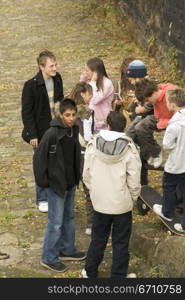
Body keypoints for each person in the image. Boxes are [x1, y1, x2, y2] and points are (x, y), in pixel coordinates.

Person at [81, 111, 141, 278]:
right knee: (121, 242)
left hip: (100, 202)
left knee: (98, 238)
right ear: (124, 127)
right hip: (122, 203)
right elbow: (134, 179)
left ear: (108, 124)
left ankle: (90, 271)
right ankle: (118, 276)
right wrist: (132, 198)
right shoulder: (130, 148)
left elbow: (86, 174)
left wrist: (95, 192)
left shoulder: (93, 144)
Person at [33, 98, 86, 272]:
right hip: (56, 186)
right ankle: (48, 257)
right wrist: (44, 183)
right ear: (60, 115)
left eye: (73, 115)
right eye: (67, 115)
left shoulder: (74, 129)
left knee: (69, 218)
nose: (71, 118)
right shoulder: (51, 134)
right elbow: (38, 159)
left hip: (70, 183)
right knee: (55, 222)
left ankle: (67, 249)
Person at [21, 50, 64, 213]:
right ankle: (42, 198)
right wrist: (32, 134)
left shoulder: (57, 78)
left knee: (57, 162)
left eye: (55, 64)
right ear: (41, 67)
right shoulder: (30, 85)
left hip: (57, 128)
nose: (55, 68)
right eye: (51, 65)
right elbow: (27, 113)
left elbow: (59, 100)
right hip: (40, 131)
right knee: (42, 164)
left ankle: (55, 194)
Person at [153, 88, 185, 233]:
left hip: (176, 163)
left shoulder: (174, 124)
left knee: (169, 186)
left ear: (172, 104)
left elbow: (167, 145)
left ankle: (167, 212)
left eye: (166, 102)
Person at [131, 78, 178, 169]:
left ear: (153, 92)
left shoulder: (171, 93)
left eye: (148, 100)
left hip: (174, 120)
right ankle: (156, 152)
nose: (148, 103)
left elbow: (179, 115)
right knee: (140, 127)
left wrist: (164, 123)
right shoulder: (153, 96)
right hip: (160, 117)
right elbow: (149, 108)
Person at [70, 82, 94, 235]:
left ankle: (68, 215)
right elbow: (87, 136)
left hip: (68, 154)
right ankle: (91, 224)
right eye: (90, 93)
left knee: (69, 187)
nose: (91, 97)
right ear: (84, 94)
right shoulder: (86, 113)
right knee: (89, 190)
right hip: (83, 155)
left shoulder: (67, 110)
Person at [80, 57, 114, 132]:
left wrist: (92, 82)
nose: (85, 73)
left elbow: (94, 100)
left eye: (87, 71)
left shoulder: (107, 83)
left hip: (102, 124)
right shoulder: (88, 80)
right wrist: (83, 79)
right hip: (89, 119)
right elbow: (79, 92)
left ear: (95, 72)